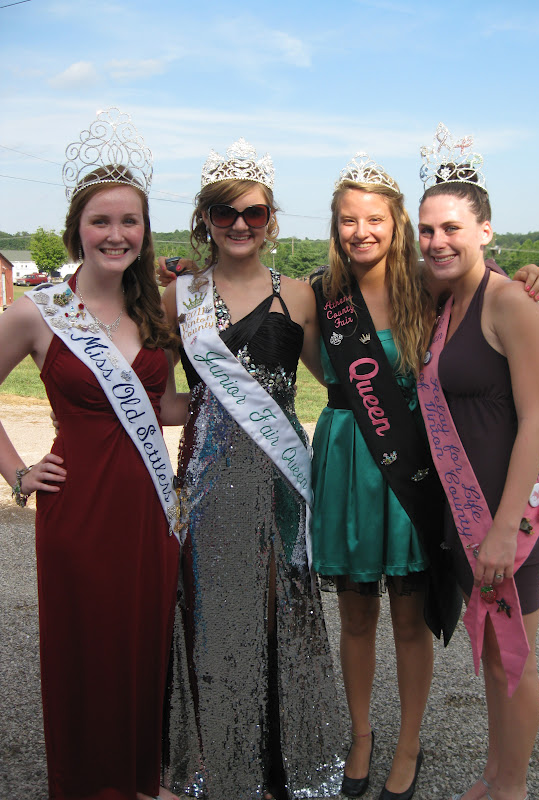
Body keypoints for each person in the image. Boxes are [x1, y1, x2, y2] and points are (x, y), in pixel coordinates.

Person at [308, 152, 539, 800]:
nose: (362, 231)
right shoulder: (355, 295)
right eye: (347, 220)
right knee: (388, 627)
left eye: (377, 219)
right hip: (400, 486)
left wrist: (525, 272)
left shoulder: (462, 293)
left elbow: (532, 411)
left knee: (468, 642)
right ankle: (433, 759)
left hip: (460, 494)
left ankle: (468, 770)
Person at [0, 109, 186, 800]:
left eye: (129, 221)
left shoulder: (156, 313)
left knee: (143, 645)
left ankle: (140, 779)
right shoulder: (37, 310)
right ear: (78, 227)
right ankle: (89, 786)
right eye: (101, 221)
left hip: (147, 510)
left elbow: (159, 407)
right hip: (78, 512)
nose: (116, 234)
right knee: (88, 651)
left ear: (144, 232)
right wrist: (17, 470)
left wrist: (217, 406)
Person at [160, 138, 343, 800]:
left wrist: (499, 281)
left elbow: (345, 380)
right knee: (211, 619)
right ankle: (216, 761)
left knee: (276, 616)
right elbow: (153, 389)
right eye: (224, 212)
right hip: (209, 483)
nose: (240, 225)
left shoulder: (300, 295)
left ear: (271, 220)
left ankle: (276, 766)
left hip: (279, 481)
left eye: (255, 213)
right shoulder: (177, 295)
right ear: (204, 219)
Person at [416, 123, 539, 800]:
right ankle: (494, 775)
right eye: (426, 230)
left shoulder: (509, 302)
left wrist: (503, 529)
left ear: (485, 231)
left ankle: (514, 789)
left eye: (450, 227)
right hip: (464, 514)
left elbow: (536, 419)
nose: (437, 241)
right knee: (496, 663)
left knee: (515, 662)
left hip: (510, 521)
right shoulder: (447, 302)